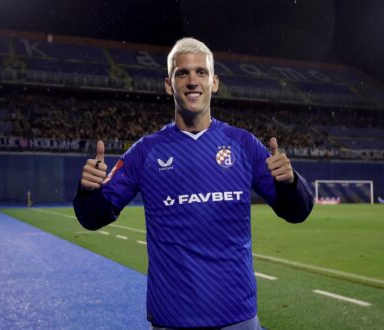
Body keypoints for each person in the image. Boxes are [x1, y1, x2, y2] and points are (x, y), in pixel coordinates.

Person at [73, 37, 314, 330]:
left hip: (238, 316)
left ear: (214, 82)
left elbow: (297, 211)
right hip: (173, 319)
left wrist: (290, 182)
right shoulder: (145, 152)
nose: (192, 81)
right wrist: (87, 191)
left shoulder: (243, 144)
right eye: (182, 73)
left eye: (201, 72)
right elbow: (93, 217)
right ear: (168, 84)